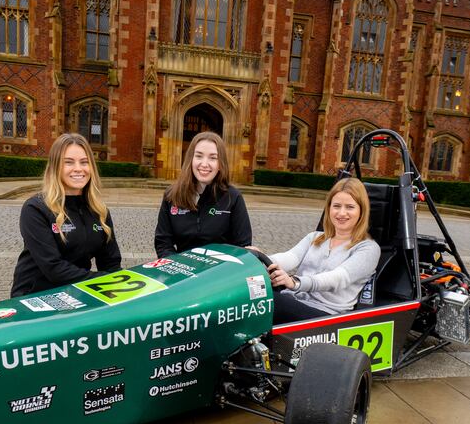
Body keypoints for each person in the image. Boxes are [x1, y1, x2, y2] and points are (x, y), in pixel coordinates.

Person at [11, 133, 121, 297]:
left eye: (84, 162)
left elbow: (110, 263)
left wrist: (121, 284)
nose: (78, 168)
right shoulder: (35, 208)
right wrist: (102, 279)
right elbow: (53, 268)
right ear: (55, 167)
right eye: (68, 162)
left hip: (76, 292)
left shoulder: (99, 210)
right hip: (35, 296)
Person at [267, 177, 380, 324]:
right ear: (329, 208)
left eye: (350, 207)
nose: (341, 213)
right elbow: (289, 257)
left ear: (361, 211)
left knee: (266, 302)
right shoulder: (315, 237)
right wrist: (253, 259)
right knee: (253, 293)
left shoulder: (368, 248)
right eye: (337, 206)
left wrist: (295, 283)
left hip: (327, 314)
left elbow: (337, 278)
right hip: (294, 300)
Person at [154, 131, 252, 258]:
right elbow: (163, 243)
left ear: (220, 164)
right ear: (190, 159)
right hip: (181, 272)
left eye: (213, 158)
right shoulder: (171, 195)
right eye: (199, 156)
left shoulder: (233, 198)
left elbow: (242, 247)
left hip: (219, 273)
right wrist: (177, 267)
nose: (204, 164)